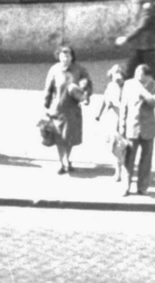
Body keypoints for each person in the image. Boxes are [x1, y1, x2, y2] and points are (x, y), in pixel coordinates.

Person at [42, 44, 92, 175]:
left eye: (68, 54)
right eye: (62, 54)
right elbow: (48, 87)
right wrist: (46, 103)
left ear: (72, 56)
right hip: (57, 109)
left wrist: (84, 89)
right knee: (59, 137)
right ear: (58, 56)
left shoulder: (79, 69)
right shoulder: (54, 70)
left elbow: (87, 83)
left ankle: (66, 159)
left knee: (69, 136)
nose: (65, 56)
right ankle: (62, 162)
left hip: (72, 109)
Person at [119, 63, 155, 196]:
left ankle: (142, 187)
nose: (137, 79)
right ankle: (125, 186)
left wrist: (142, 91)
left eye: (141, 76)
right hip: (132, 126)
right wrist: (122, 125)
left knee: (146, 159)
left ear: (149, 77)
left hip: (148, 128)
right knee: (128, 158)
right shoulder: (128, 84)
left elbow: (154, 103)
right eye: (136, 75)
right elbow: (123, 106)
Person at [95, 65, 128, 187]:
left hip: (122, 119)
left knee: (120, 146)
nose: (117, 76)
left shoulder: (126, 87)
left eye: (120, 73)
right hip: (111, 119)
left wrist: (116, 105)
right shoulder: (110, 86)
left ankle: (120, 171)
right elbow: (104, 99)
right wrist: (99, 114)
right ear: (111, 75)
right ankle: (119, 168)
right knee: (112, 146)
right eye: (115, 73)